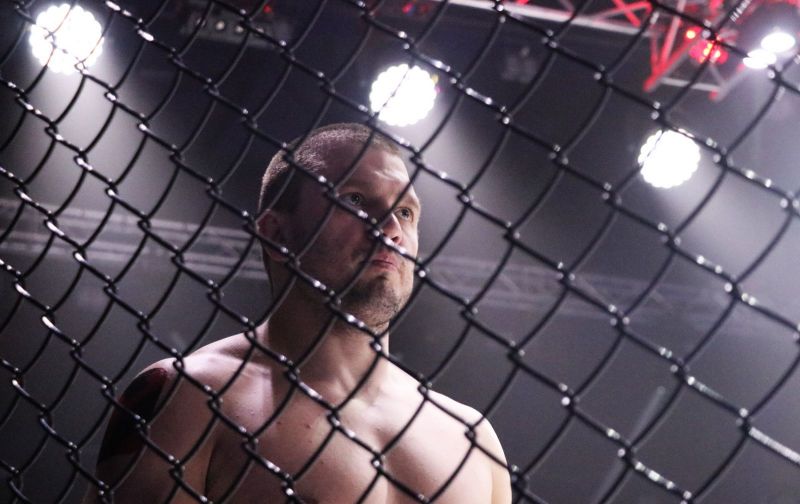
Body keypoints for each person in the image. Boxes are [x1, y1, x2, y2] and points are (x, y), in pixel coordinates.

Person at [87, 123, 512, 503]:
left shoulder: (472, 438)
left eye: (405, 211)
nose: (391, 229)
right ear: (277, 234)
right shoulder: (187, 396)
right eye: (355, 200)